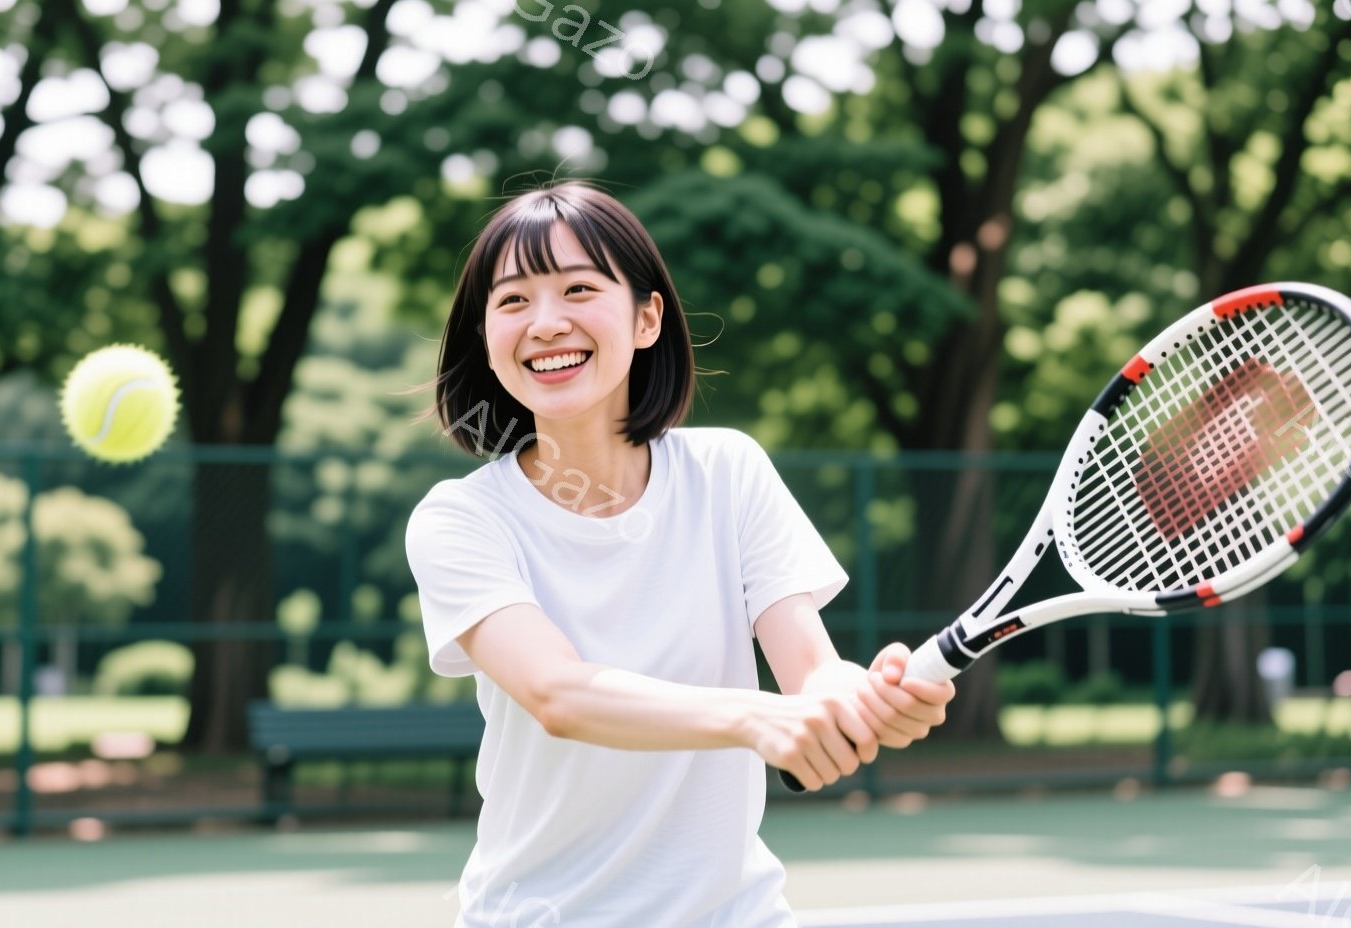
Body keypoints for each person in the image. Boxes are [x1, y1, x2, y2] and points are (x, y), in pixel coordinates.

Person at [405, 182, 956, 927]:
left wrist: (859, 701)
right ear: (484, 339)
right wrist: (760, 719)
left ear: (646, 318)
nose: (545, 323)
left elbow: (810, 669)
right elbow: (557, 694)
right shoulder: (459, 520)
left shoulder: (729, 471)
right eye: (511, 302)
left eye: (577, 289)